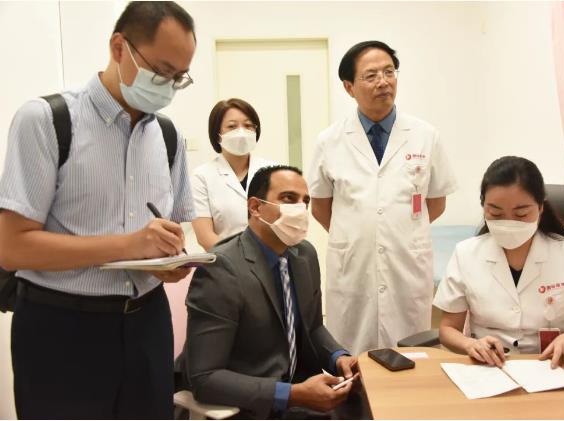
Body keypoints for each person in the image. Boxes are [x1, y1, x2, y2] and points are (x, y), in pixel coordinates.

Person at [0, 2, 197, 418]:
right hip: (61, 327)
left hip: (148, 324)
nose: (167, 86)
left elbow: (171, 226)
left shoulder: (168, 136)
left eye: (179, 78)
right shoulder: (47, 121)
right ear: (119, 47)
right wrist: (130, 245)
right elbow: (12, 248)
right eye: (161, 71)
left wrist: (167, 260)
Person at [307, 40, 457, 354]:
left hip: (407, 263)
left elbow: (436, 202)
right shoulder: (329, 140)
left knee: (410, 355)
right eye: (371, 75)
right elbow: (320, 206)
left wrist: (396, 228)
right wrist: (356, 232)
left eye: (389, 72)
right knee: (351, 357)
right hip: (353, 265)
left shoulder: (425, 135)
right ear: (349, 87)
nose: (383, 82)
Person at [184, 165, 364, 419]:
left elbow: (312, 328)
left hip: (301, 395)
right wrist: (291, 394)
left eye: (305, 201)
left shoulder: (304, 255)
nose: (299, 209)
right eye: (289, 198)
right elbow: (205, 378)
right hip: (249, 406)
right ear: (255, 207)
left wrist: (338, 358)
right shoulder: (222, 269)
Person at [433, 156, 564, 372]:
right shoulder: (466, 253)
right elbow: (448, 329)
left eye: (521, 214)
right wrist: (470, 345)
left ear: (540, 207)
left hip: (551, 367)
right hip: (489, 369)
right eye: (496, 213)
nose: (509, 222)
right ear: (483, 207)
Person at [191, 98, 274, 251]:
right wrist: (240, 259)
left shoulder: (272, 171)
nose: (241, 132)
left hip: (270, 257)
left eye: (248, 125)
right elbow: (205, 236)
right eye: (232, 126)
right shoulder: (201, 176)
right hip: (225, 261)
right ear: (217, 134)